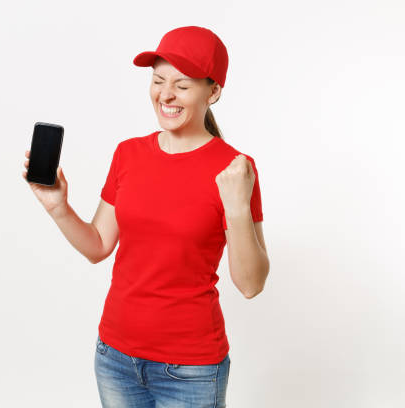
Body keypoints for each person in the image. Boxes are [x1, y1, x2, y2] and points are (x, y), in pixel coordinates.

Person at [22, 25, 269, 408]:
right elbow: (98, 246)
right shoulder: (128, 154)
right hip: (115, 358)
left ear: (214, 91)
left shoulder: (236, 169)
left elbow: (251, 284)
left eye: (182, 85)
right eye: (158, 80)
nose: (165, 95)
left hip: (191, 370)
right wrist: (58, 207)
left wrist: (237, 207)